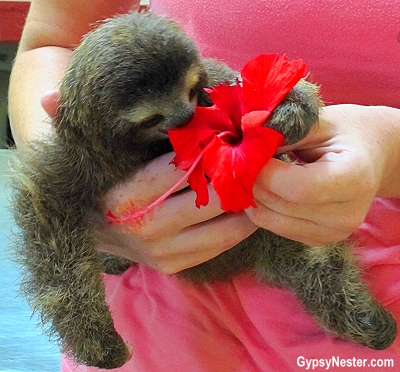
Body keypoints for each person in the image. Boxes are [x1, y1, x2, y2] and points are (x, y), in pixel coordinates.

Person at [8, 0, 400, 371]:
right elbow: (48, 230)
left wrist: (368, 140)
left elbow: (283, 97)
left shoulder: (212, 80)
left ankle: (341, 306)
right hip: (160, 306)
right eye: (153, 118)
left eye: (192, 90)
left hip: (289, 225)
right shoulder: (77, 152)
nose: (185, 113)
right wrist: (88, 326)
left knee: (304, 254)